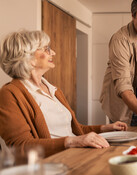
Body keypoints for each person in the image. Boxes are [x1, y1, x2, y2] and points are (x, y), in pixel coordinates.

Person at [0, 30, 128, 157]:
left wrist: (106, 128)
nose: (53, 53)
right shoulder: (10, 94)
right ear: (28, 57)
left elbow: (75, 130)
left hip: (75, 156)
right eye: (46, 49)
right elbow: (20, 146)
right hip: (50, 166)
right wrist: (72, 142)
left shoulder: (53, 89)